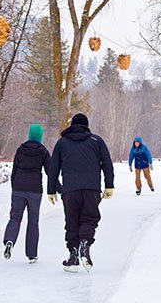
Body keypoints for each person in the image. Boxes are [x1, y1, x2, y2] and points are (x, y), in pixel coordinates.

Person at [47, 113, 114, 272]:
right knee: (89, 219)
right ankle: (85, 243)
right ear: (86, 125)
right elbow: (107, 164)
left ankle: (73, 256)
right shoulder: (96, 141)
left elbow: (53, 168)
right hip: (92, 189)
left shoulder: (62, 143)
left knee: (72, 222)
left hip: (70, 190)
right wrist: (109, 185)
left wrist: (51, 190)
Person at [3, 124, 53, 263]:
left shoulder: (21, 149)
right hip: (35, 190)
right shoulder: (43, 151)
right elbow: (50, 172)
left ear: (29, 135)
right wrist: (59, 189)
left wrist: (15, 186)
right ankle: (31, 254)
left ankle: (10, 241)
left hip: (19, 188)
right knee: (33, 221)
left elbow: (15, 169)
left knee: (15, 218)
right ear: (40, 136)